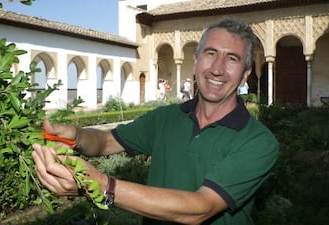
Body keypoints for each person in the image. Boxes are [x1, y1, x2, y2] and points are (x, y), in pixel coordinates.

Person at [32, 17, 279, 225]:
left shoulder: (258, 141)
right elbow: (108, 141)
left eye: (232, 59)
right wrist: (76, 136)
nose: (217, 68)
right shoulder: (166, 118)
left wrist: (103, 186)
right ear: (195, 61)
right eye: (210, 53)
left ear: (246, 74)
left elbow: (201, 207)